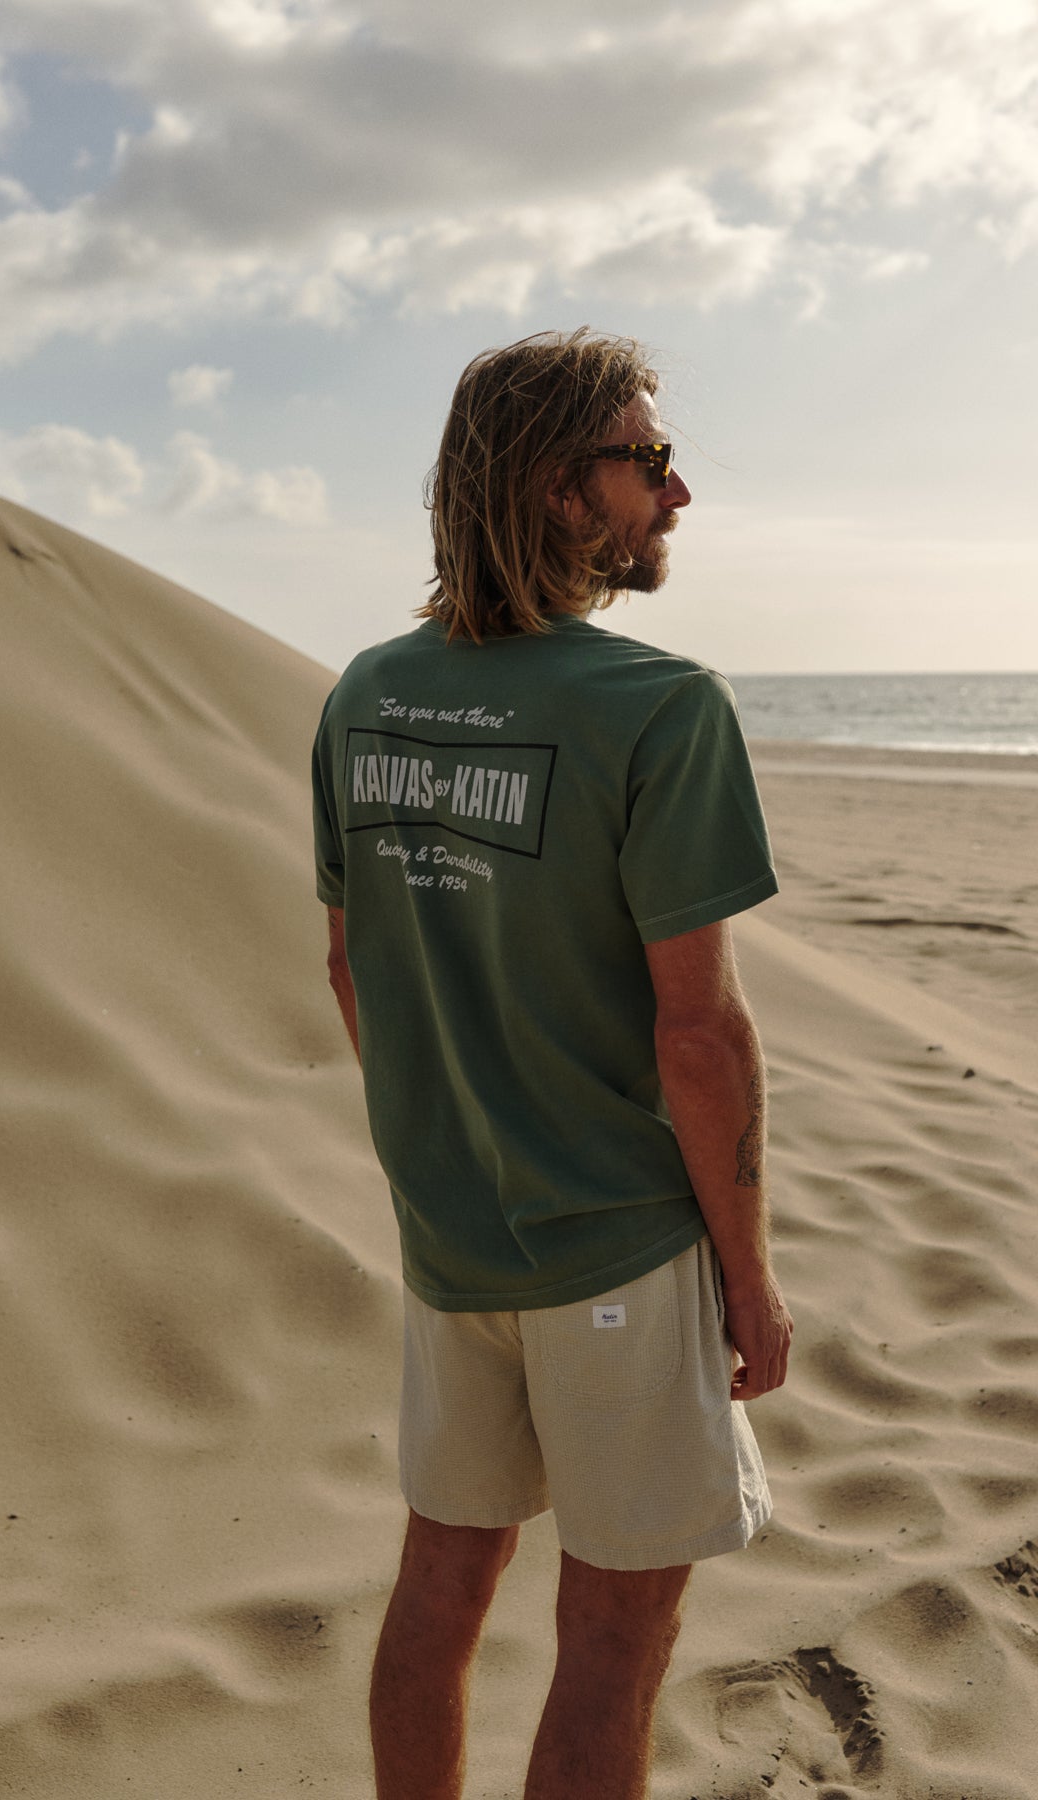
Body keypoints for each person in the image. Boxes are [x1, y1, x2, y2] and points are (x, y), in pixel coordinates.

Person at [311, 327, 793, 1800]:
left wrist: (458, 1140)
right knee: (615, 1636)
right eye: (649, 462)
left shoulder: (366, 696)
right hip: (614, 1252)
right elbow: (699, 1032)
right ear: (559, 490)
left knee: (443, 1588)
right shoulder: (659, 707)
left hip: (452, 1243)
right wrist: (753, 1276)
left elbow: (352, 967)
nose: (678, 495)